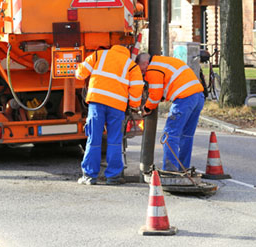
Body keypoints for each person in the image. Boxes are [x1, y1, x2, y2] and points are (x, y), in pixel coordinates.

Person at [75, 45, 144, 185]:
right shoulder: (131, 65)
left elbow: (81, 73)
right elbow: (137, 89)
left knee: (93, 138)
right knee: (114, 140)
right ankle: (113, 177)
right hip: (117, 106)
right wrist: (133, 104)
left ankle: (89, 176)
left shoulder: (98, 55)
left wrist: (78, 71)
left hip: (96, 102)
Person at [136, 53, 205, 172]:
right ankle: (183, 168)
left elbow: (155, 95)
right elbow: (168, 85)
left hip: (184, 99)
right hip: (198, 97)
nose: (142, 73)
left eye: (142, 70)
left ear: (145, 63)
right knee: (186, 135)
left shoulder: (153, 68)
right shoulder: (165, 61)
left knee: (169, 135)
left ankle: (170, 170)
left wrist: (146, 108)